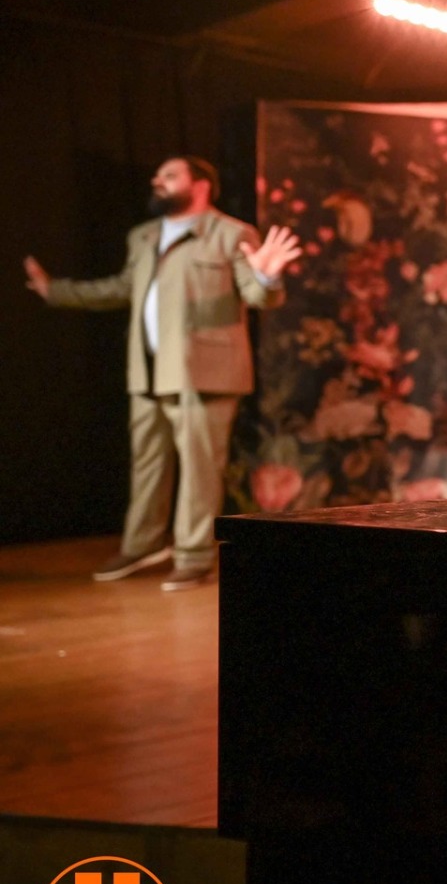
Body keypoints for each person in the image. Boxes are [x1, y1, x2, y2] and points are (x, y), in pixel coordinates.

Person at [24, 156, 301, 591]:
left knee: (200, 470)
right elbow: (121, 288)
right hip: (151, 371)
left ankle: (194, 556)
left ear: (201, 184)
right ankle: (143, 544)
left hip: (204, 372)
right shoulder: (144, 236)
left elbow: (254, 294)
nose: (158, 180)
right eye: (157, 175)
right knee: (147, 465)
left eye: (170, 175)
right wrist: (55, 291)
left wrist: (266, 278)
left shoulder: (230, 234)